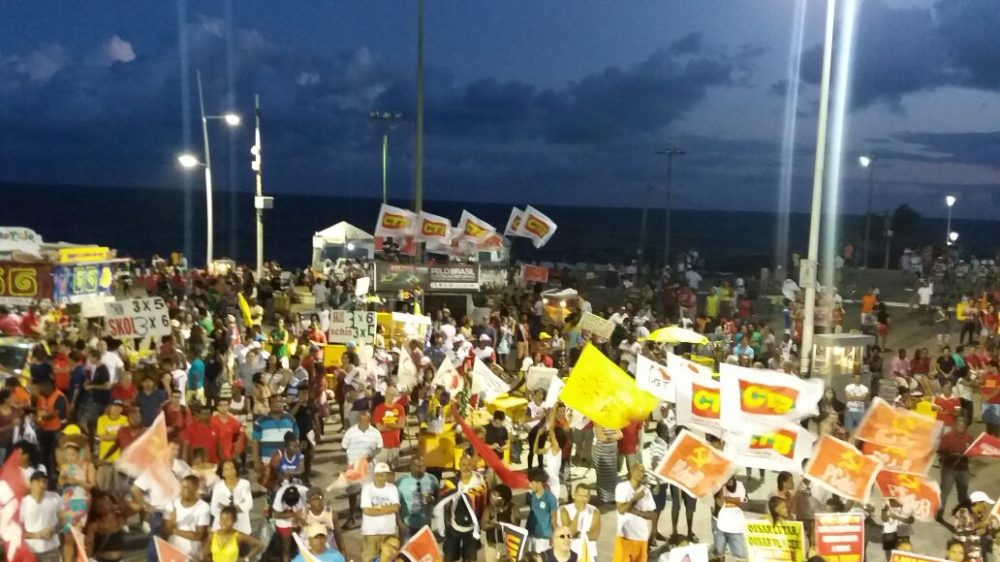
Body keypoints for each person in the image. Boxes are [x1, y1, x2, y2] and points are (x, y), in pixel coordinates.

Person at [341, 409, 383, 529]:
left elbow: (379, 447)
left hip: (369, 468)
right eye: (361, 419)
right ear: (359, 419)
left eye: (366, 419)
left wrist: (372, 454)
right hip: (353, 467)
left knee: (369, 493)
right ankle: (352, 517)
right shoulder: (350, 432)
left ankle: (369, 518)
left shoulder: (375, 432)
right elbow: (344, 447)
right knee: (353, 493)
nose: (363, 421)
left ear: (369, 419)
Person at [163, 475, 211, 559]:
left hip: (191, 555)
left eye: (187, 487)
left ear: (196, 489)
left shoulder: (204, 507)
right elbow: (166, 532)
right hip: (173, 552)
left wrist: (175, 530)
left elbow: (198, 535)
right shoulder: (171, 504)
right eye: (182, 487)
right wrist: (171, 523)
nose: (183, 490)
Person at [360, 462, 400, 562]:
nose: (384, 477)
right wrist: (387, 508)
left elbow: (395, 508)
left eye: (386, 474)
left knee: (389, 558)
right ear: (376, 475)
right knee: (369, 558)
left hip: (388, 532)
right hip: (371, 532)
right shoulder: (367, 488)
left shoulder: (392, 488)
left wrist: (376, 508)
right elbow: (367, 511)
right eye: (381, 475)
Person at [21, 472, 63, 562]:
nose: (42, 485)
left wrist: (54, 530)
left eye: (44, 482)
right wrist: (36, 535)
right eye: (38, 482)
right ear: (30, 484)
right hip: (30, 551)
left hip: (51, 550)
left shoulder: (54, 498)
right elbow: (17, 530)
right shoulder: (23, 503)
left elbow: (63, 520)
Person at [937, 418, 974, 519]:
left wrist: (969, 455)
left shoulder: (969, 438)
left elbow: (972, 452)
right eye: (958, 425)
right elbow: (940, 452)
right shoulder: (947, 437)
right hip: (949, 469)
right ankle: (939, 512)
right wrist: (952, 455)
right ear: (954, 425)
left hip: (963, 469)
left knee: (963, 492)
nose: (960, 427)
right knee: (944, 492)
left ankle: (963, 514)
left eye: (963, 425)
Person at [251, 395, 299, 471]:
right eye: (273, 403)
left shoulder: (290, 419)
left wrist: (297, 458)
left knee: (288, 482)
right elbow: (255, 442)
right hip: (267, 463)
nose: (277, 404)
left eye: (279, 402)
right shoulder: (260, 421)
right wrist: (256, 462)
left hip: (287, 463)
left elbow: (296, 439)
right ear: (269, 405)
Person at [396, 456, 440, 537]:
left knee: (425, 549)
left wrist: (432, 499)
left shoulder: (432, 479)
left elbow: (438, 499)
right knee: (406, 549)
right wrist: (400, 523)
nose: (420, 468)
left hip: (425, 524)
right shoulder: (402, 481)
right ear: (410, 466)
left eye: (422, 466)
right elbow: (396, 504)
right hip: (407, 524)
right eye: (417, 466)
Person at [210, 459, 254, 535]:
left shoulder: (245, 484)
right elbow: (214, 509)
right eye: (226, 469)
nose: (230, 471)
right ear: (222, 473)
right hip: (222, 529)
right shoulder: (218, 487)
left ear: (236, 470)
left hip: (242, 527)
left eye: (232, 468)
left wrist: (225, 508)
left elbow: (249, 504)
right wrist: (237, 508)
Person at [560, 484, 600, 561]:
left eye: (585, 496)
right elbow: (569, 534)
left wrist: (577, 534)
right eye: (580, 495)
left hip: (590, 554)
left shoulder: (595, 511)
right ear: (574, 495)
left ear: (589, 498)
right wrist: (578, 513)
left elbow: (594, 536)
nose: (582, 499)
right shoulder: (565, 510)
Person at [712, 476, 748, 560]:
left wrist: (728, 500)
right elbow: (720, 503)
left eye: (730, 478)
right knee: (719, 552)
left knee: (740, 554)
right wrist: (722, 487)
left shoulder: (740, 486)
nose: (728, 480)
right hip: (719, 523)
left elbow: (745, 504)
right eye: (726, 478)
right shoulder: (718, 486)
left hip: (735, 525)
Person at [482, 484, 520, 562]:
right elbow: (483, 526)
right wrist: (494, 525)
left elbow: (516, 528)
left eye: (496, 496)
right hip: (492, 546)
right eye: (492, 494)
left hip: (507, 546)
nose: (492, 497)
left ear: (503, 500)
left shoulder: (513, 508)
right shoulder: (489, 509)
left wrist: (499, 525)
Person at [526, 468, 559, 554]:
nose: (529, 485)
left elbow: (554, 519)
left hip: (544, 538)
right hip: (530, 535)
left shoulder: (550, 498)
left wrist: (554, 537)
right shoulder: (531, 495)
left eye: (531, 482)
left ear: (539, 483)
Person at [372, 385, 405, 467]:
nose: (390, 396)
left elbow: (401, 425)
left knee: (393, 469)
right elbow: (380, 428)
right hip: (382, 445)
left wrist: (388, 424)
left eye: (393, 394)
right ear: (385, 394)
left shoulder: (400, 408)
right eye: (389, 394)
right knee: (381, 468)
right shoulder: (379, 409)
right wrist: (394, 425)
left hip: (395, 443)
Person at [592, 423, 622, 504]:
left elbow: (620, 435)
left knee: (612, 474)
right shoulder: (597, 421)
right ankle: (602, 498)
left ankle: (612, 497)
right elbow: (602, 438)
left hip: (612, 451)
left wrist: (610, 437)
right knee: (602, 475)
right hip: (602, 451)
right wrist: (614, 437)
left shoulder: (613, 421)